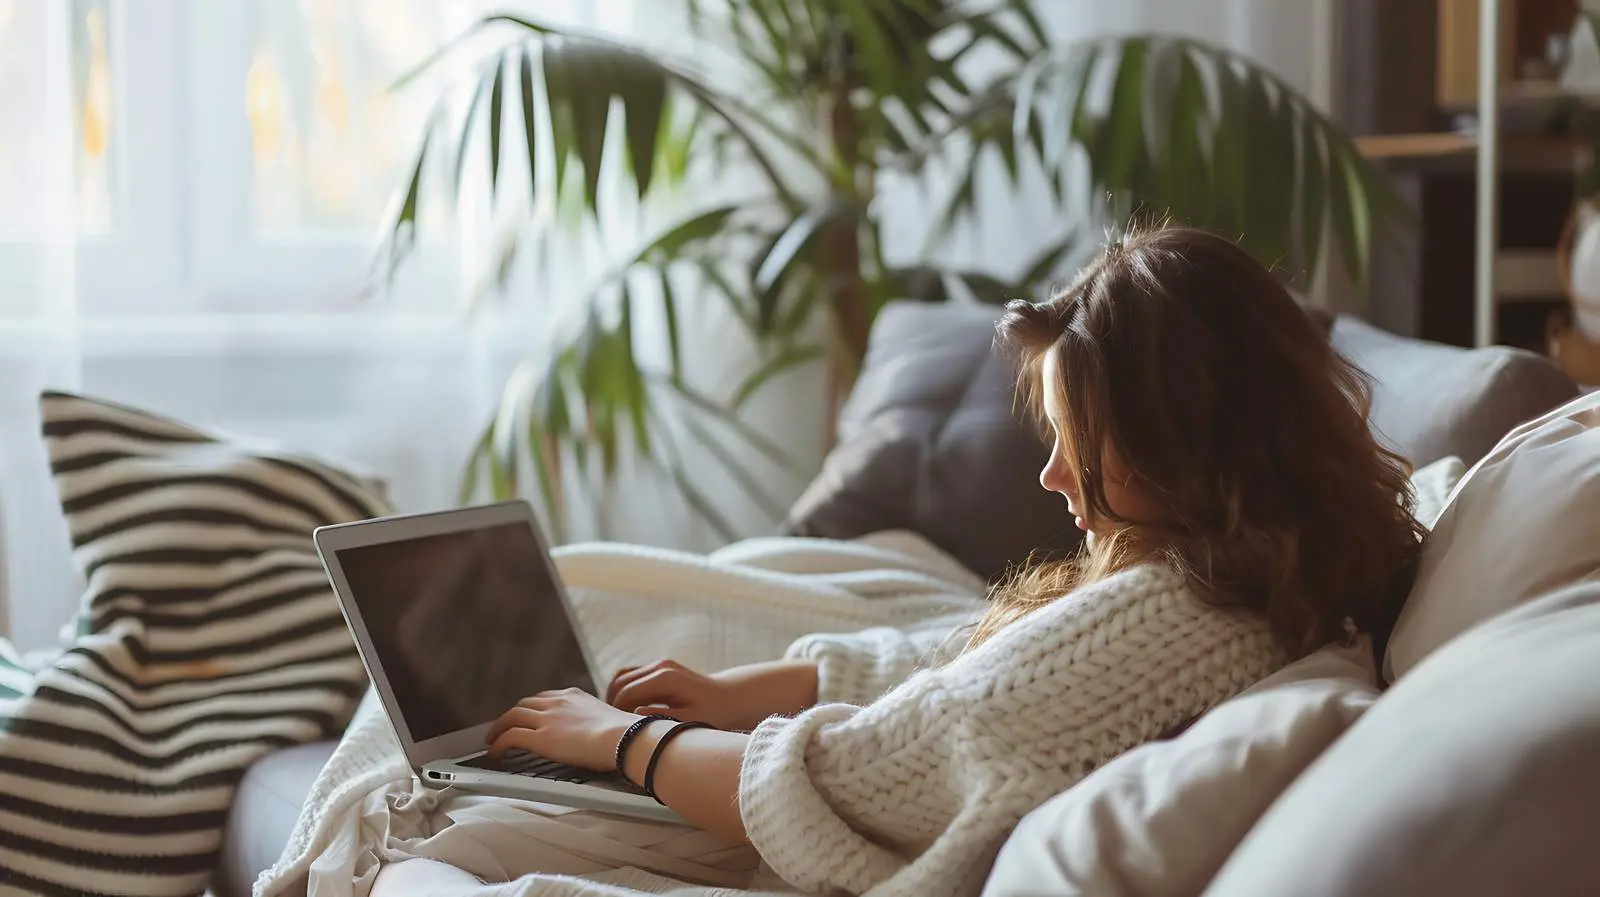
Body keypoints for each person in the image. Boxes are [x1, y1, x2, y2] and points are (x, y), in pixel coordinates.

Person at [371, 226, 1425, 896]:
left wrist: (622, 741)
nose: (1055, 479)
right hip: (805, 758)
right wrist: (753, 687)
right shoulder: (1272, 572)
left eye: (1082, 445)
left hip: (825, 836)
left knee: (429, 869)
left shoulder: (1178, 616)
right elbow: (965, 673)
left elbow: (854, 778)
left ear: (1181, 441)